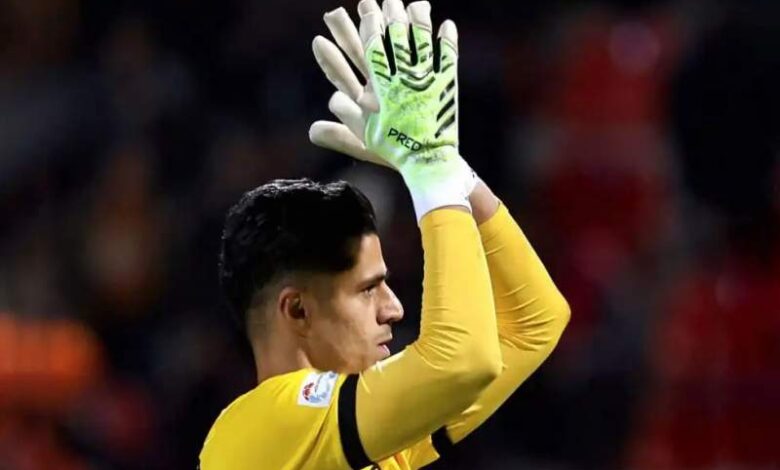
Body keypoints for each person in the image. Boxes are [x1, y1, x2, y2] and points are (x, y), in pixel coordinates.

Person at [199, 1, 570, 468]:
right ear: (297, 309)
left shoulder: (361, 434)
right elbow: (464, 360)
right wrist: (428, 171)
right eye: (368, 288)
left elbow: (535, 324)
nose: (394, 308)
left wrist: (453, 170)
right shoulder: (261, 429)